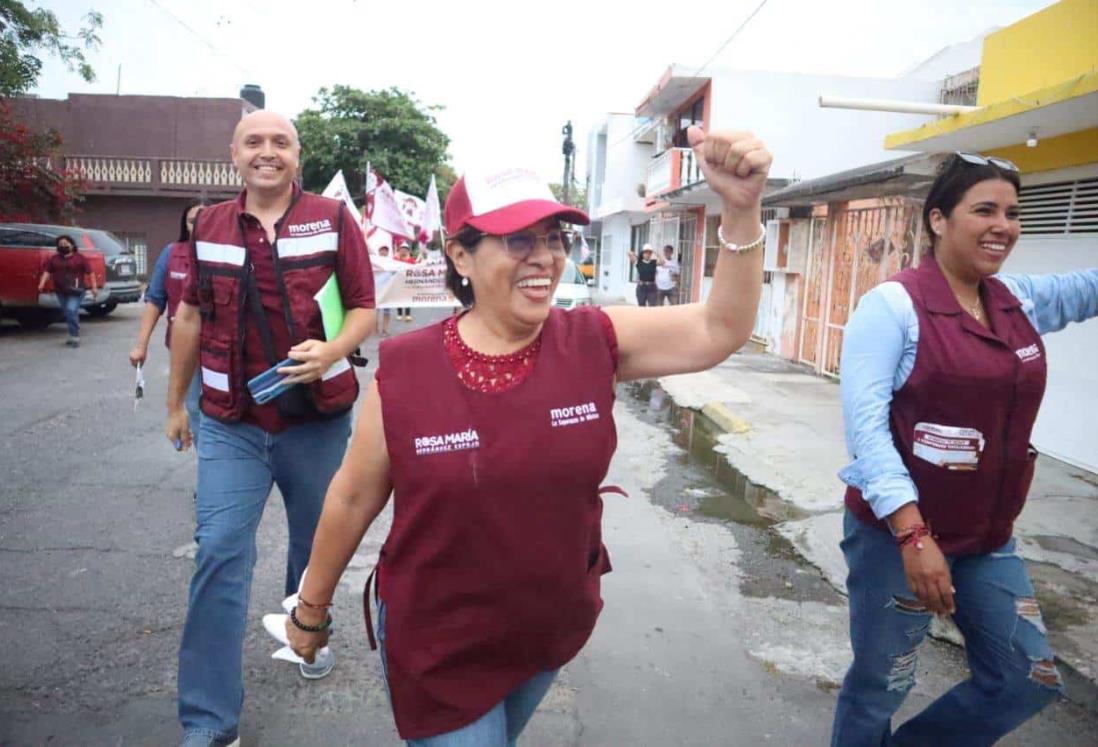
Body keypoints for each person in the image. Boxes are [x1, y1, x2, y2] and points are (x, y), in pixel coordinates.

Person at [286, 125, 771, 745]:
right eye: (518, 240)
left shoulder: (593, 339)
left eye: (554, 238)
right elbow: (353, 497)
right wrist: (311, 607)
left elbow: (720, 327)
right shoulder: (406, 368)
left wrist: (742, 208)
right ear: (460, 256)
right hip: (439, 647)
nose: (545, 256)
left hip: (547, 634)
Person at [832, 152, 1098, 746]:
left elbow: (1088, 289)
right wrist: (913, 535)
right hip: (896, 541)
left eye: (1012, 212)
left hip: (987, 540)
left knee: (1027, 677)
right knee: (882, 686)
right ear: (938, 220)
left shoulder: (1016, 299)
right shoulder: (893, 308)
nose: (1002, 225)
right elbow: (867, 432)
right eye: (984, 210)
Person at [164, 110, 376, 747]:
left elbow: (366, 308)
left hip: (315, 422)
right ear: (233, 155)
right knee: (220, 552)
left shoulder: (334, 219)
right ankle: (209, 720)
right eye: (254, 142)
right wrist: (177, 405)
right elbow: (190, 319)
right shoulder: (210, 228)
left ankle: (305, 634)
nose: (267, 152)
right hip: (231, 422)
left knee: (314, 545)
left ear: (296, 155)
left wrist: (332, 349)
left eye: (279, 142)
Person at [130, 201, 207, 441]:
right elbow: (155, 300)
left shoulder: (226, 252)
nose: (199, 225)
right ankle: (206, 462)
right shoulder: (172, 253)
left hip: (223, 347)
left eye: (205, 219)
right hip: (185, 346)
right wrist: (141, 345)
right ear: (185, 224)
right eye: (193, 220)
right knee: (193, 405)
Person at [38, 234, 98, 347]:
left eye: (66, 244)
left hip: (77, 290)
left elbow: (91, 273)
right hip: (61, 290)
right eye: (60, 244)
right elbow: (47, 271)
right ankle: (72, 333)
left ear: (72, 245)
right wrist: (42, 283)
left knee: (71, 310)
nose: (63, 246)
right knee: (69, 312)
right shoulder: (54, 259)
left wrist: (94, 288)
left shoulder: (80, 258)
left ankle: (75, 336)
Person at [375, 245, 394, 336]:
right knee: (376, 311)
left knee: (387, 311)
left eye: (385, 250)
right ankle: (375, 329)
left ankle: (385, 329)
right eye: (382, 250)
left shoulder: (391, 263)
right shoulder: (374, 262)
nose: (383, 252)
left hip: (387, 290)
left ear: (387, 253)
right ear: (379, 252)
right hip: (376, 290)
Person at [394, 243, 416, 321]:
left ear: (408, 250)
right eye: (402, 249)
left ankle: (407, 314)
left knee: (408, 297)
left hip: (408, 281)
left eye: (405, 249)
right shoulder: (395, 259)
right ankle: (399, 314)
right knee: (399, 297)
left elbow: (415, 269)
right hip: (398, 281)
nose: (403, 251)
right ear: (399, 250)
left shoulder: (411, 260)